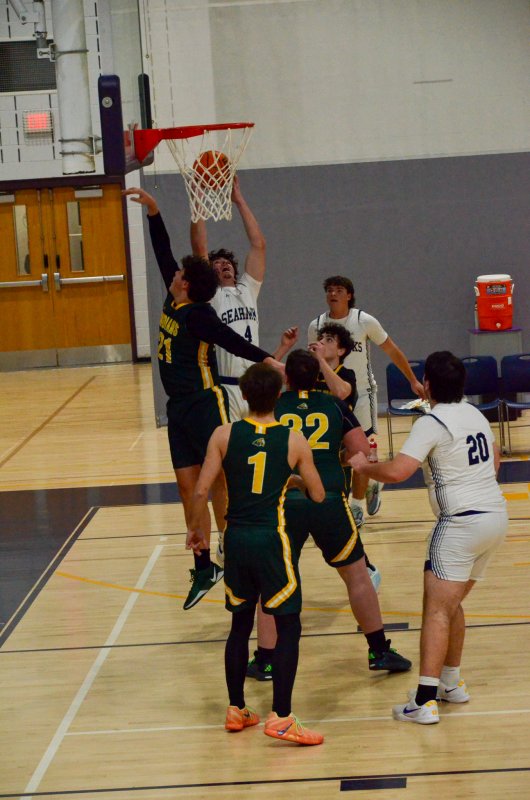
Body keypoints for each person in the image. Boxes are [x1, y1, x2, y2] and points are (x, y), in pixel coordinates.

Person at [124, 188, 284, 611]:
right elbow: (162, 252)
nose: (174, 274)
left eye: (180, 275)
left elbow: (232, 339)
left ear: (189, 285)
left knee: (218, 486)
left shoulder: (199, 313)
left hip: (205, 402)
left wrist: (268, 357)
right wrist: (155, 211)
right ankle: (203, 564)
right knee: (185, 488)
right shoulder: (173, 297)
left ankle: (237, 551)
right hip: (177, 408)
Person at [350, 351, 508, 725]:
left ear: (428, 386)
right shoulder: (476, 414)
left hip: (459, 523)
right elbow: (496, 459)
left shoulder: (432, 421)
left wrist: (364, 467)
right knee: (450, 603)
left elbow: (400, 471)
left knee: (436, 608)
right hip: (494, 517)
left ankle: (423, 700)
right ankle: (450, 683)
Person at [248, 350, 412, 681]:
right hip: (328, 500)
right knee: (357, 576)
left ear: (287, 378)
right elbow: (361, 450)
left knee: (273, 580)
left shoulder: (273, 406)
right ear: (319, 376)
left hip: (284, 502)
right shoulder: (335, 405)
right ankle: (379, 650)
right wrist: (336, 459)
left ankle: (265, 659)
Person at [186, 363, 326, 745]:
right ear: (279, 395)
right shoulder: (294, 440)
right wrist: (293, 478)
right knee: (289, 625)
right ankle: (281, 716)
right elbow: (317, 494)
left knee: (239, 624)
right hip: (271, 540)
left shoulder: (224, 433)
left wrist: (196, 530)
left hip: (236, 539)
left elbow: (200, 491)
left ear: (244, 396)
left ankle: (237, 708)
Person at [308, 275, 426, 526]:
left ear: (349, 295)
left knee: (362, 449)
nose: (333, 294)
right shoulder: (316, 324)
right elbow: (312, 362)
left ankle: (357, 504)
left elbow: (392, 350)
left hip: (362, 394)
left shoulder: (364, 321)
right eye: (329, 290)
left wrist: (413, 380)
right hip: (331, 393)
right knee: (336, 451)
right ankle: (369, 481)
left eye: (338, 290)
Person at [308, 323, 380, 591]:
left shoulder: (346, 374)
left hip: (334, 461)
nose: (322, 342)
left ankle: (366, 567)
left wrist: (318, 360)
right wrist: (284, 349)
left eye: (328, 340)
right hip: (306, 460)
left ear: (340, 349)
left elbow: (340, 393)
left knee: (336, 524)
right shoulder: (309, 373)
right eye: (320, 338)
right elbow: (275, 377)